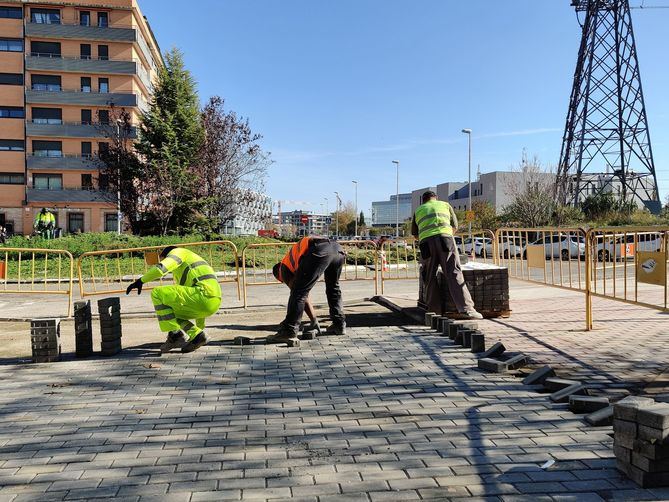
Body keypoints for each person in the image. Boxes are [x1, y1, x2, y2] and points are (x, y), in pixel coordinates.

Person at [126, 246, 221, 353]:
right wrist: (200, 329)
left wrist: (140, 281)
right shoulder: (192, 263)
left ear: (166, 255)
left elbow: (161, 269)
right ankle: (196, 335)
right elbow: (197, 304)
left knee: (157, 293)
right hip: (213, 302)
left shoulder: (178, 251)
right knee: (170, 312)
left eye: (162, 259)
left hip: (202, 295)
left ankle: (176, 335)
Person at [412, 191, 482, 319]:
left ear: (423, 200)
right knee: (454, 272)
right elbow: (454, 226)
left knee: (429, 277)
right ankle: (467, 309)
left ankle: (434, 312)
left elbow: (415, 235)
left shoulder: (418, 211)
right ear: (436, 198)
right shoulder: (445, 205)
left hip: (426, 244)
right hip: (446, 240)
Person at [268, 237, 346, 344]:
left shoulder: (283, 269)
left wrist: (313, 319)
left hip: (320, 249)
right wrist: (313, 320)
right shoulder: (293, 261)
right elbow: (305, 295)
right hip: (337, 249)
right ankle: (339, 324)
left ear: (278, 275)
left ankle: (289, 330)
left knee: (298, 291)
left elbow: (301, 295)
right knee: (333, 287)